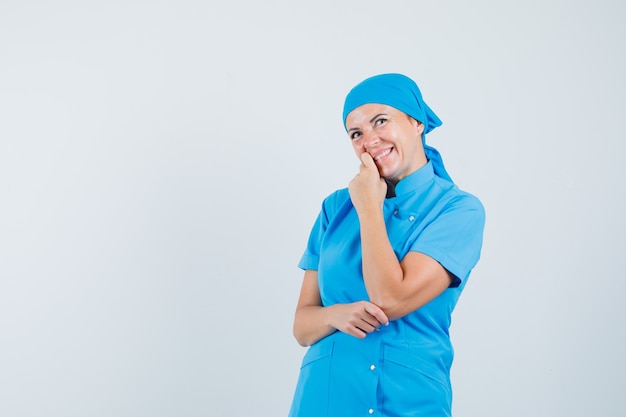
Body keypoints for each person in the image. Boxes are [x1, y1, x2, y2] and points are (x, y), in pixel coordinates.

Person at [287, 73, 485, 417]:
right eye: (356, 133)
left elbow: (389, 299)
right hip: (325, 399)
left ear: (416, 121)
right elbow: (302, 326)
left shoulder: (457, 210)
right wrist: (336, 314)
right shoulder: (335, 208)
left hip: (409, 401)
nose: (370, 140)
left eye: (381, 121)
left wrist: (368, 207)